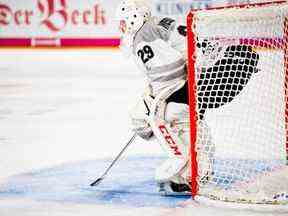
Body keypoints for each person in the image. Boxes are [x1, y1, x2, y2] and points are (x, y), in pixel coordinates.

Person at [115, 0, 260, 195]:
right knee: (187, 118)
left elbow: (168, 74)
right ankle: (201, 167)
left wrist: (154, 99)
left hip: (195, 81)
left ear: (133, 17)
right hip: (203, 74)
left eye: (123, 22)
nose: (122, 28)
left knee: (165, 114)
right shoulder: (157, 23)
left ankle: (189, 172)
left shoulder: (143, 36)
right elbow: (182, 51)